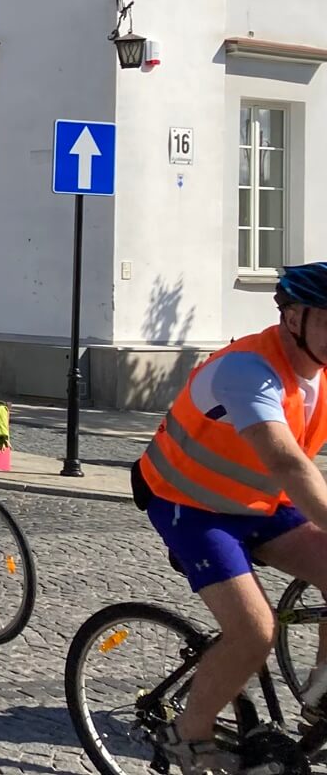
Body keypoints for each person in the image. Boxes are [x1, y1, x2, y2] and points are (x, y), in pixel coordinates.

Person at [133, 262, 327, 775]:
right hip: (192, 506)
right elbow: (286, 461)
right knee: (254, 631)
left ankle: (323, 690)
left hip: (259, 504)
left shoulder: (320, 371)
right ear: (293, 318)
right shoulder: (247, 370)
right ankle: (187, 733)